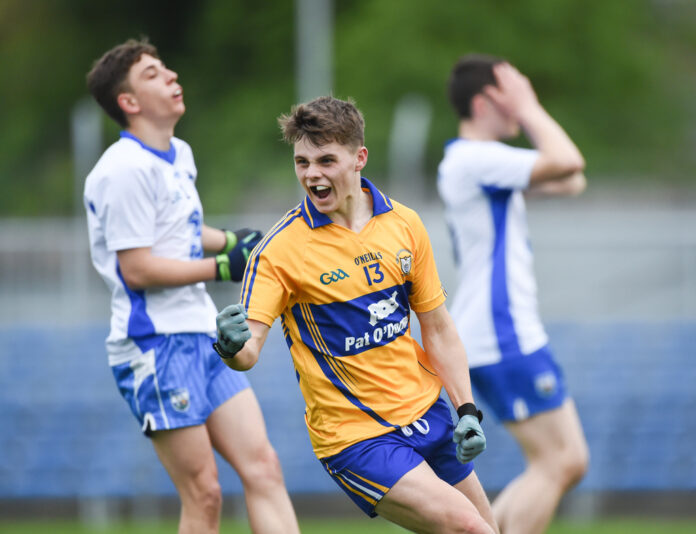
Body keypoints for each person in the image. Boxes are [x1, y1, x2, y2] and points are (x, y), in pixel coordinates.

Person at [214, 95, 499, 534]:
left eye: (326, 160)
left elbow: (438, 329)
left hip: (430, 413)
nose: (312, 174)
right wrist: (230, 344)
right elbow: (248, 350)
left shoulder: (404, 224)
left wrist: (465, 410)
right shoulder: (280, 250)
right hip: (357, 439)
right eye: (302, 162)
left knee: (489, 529)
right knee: (469, 528)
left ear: (359, 158)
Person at [83, 38, 299, 534]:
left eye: (166, 68)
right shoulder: (122, 171)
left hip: (201, 334)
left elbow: (177, 232)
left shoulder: (178, 153)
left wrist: (233, 241)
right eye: (154, 74)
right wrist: (223, 266)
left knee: (264, 467)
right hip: (156, 346)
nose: (172, 76)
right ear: (129, 103)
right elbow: (137, 267)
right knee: (204, 494)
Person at [437, 54, 590, 534]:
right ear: (485, 102)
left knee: (564, 461)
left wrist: (523, 108)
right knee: (560, 462)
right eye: (512, 93)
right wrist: (529, 109)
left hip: (498, 331)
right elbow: (569, 160)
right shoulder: (475, 158)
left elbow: (570, 180)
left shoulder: (479, 163)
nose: (520, 103)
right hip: (501, 331)